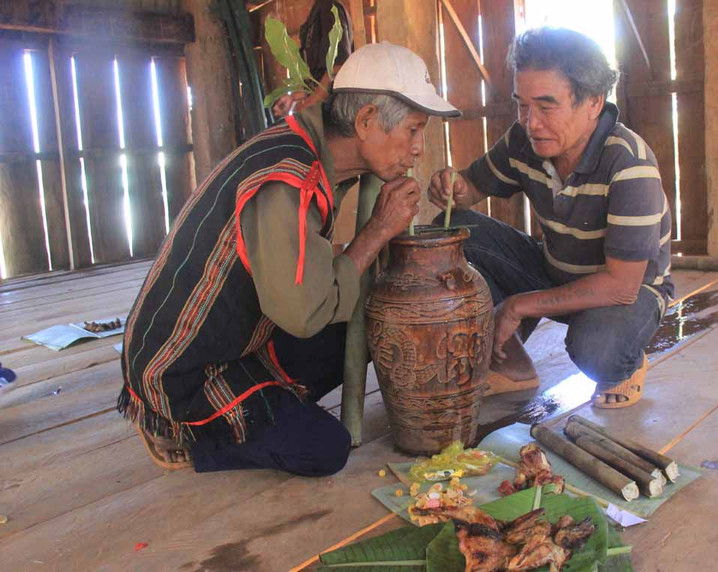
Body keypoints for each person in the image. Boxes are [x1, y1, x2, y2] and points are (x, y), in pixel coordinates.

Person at [119, 42, 460, 475]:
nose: (418, 148)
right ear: (367, 120)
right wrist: (377, 230)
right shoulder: (290, 178)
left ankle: (269, 405)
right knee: (323, 449)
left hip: (240, 339)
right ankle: (191, 436)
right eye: (413, 129)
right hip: (182, 368)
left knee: (372, 333)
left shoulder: (308, 150)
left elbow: (308, 278)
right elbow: (303, 313)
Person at [428, 27, 673, 408]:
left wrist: (518, 305)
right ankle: (513, 366)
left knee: (597, 350)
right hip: (555, 271)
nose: (531, 122)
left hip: (625, 294)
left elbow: (622, 285)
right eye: (522, 105)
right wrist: (449, 187)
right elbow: (469, 189)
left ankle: (624, 363)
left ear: (593, 102)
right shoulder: (523, 141)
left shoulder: (629, 163)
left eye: (546, 106)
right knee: (452, 226)